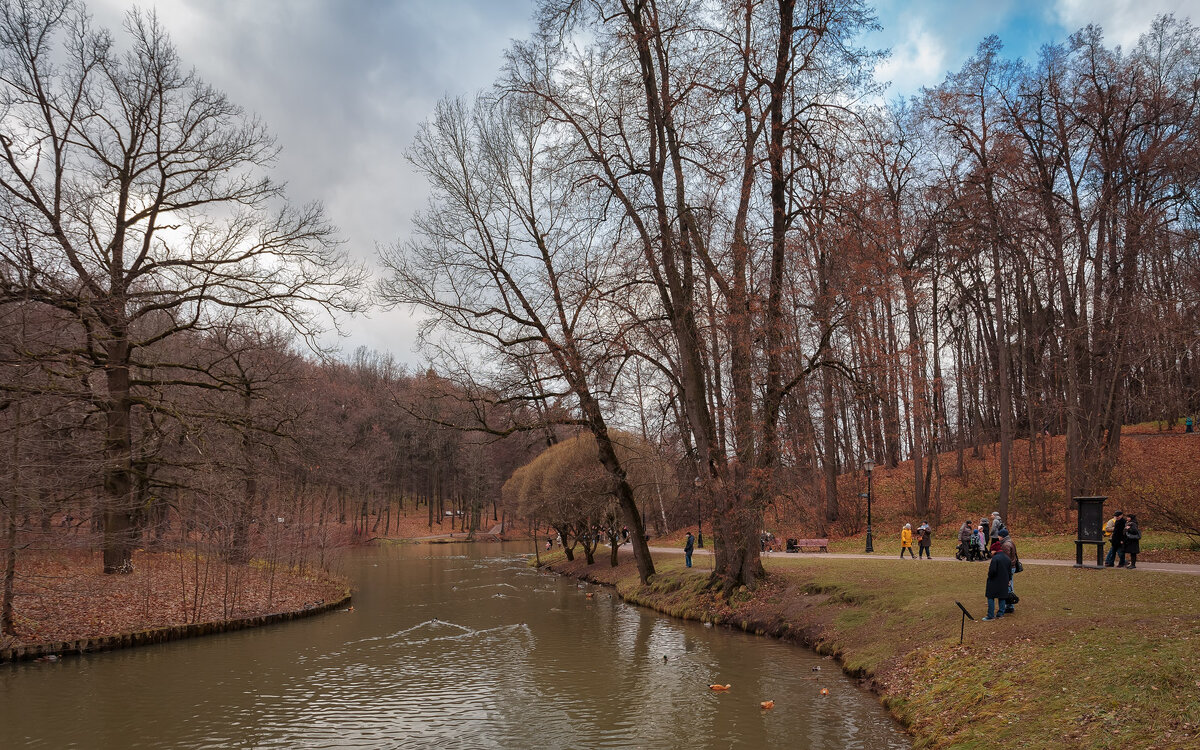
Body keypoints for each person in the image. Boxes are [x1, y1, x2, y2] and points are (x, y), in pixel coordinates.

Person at [983, 545, 1013, 621]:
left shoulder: (995, 558)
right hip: (1004, 581)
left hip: (994, 581)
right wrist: (1009, 580)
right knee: (1002, 597)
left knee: (990, 597)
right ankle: (1000, 614)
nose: (991, 552)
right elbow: (1009, 571)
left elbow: (992, 571)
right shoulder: (1007, 558)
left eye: (991, 551)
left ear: (995, 550)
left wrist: (990, 576)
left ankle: (990, 615)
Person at [999, 528, 1019, 614]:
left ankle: (1010, 606)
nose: (998, 537)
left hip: (1008, 568)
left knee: (1008, 586)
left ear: (1002, 536)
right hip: (1012, 566)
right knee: (1010, 586)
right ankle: (1009, 605)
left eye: (999, 535)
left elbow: (1005, 559)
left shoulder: (1005, 545)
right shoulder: (1010, 542)